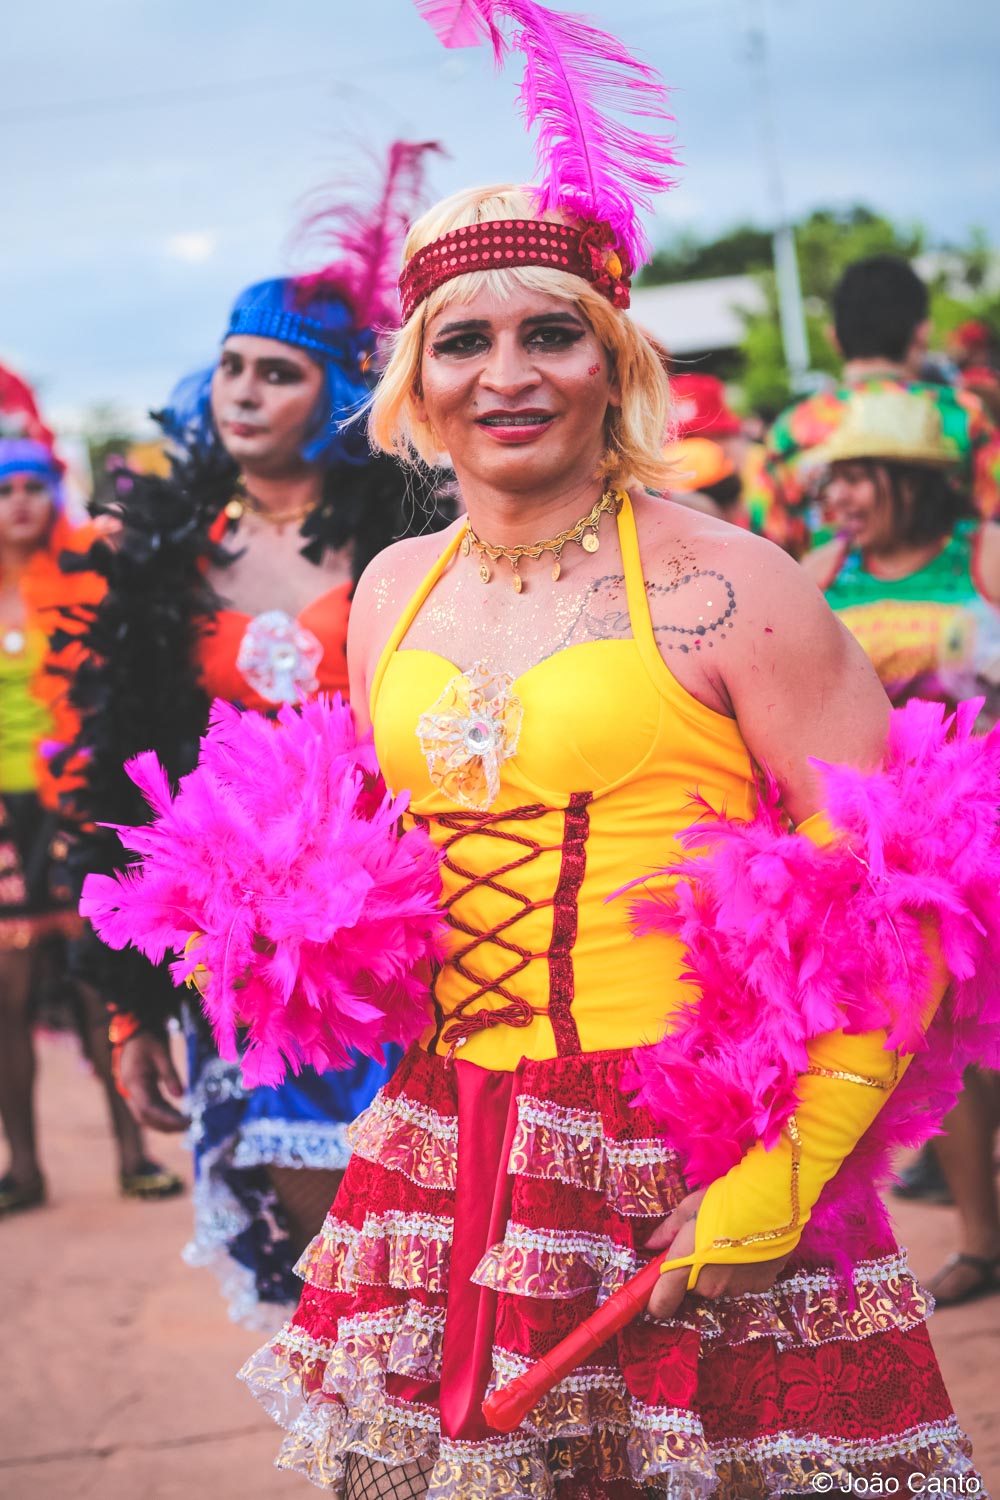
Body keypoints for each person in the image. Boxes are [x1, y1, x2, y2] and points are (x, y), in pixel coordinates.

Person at [235, 168, 991, 1500]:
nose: (507, 375)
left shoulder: (730, 582)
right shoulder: (392, 597)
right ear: (417, 380)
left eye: (551, 333)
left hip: (693, 1154)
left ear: (612, 360)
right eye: (465, 341)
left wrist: (786, 1176)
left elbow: (906, 894)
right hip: (446, 1147)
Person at [67, 142, 452, 1324]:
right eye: (228, 367)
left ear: (336, 395)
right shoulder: (165, 557)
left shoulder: (413, 533)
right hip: (250, 958)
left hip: (409, 934)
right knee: (318, 1270)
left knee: (429, 1244)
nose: (239, 390)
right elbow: (122, 777)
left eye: (274, 372)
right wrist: (134, 1004)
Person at [802, 386, 1000, 1305]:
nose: (837, 497)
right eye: (832, 479)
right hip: (906, 849)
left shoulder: (984, 555)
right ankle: (979, 1239)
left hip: (992, 809)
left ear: (911, 482)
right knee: (940, 1038)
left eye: (857, 477)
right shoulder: (822, 570)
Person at [0, 437, 181, 1214]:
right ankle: (24, 1167)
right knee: (7, 997)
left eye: (32, 487)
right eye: (3, 490)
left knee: (91, 983)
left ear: (54, 494)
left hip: (74, 797)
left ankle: (133, 1152)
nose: (18, 504)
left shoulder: (85, 578)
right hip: (3, 814)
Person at [748, 256, 1000, 554]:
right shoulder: (962, 414)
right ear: (922, 332)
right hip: (952, 593)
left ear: (834, 338)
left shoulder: (791, 428)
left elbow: (768, 543)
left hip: (824, 597)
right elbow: (992, 517)